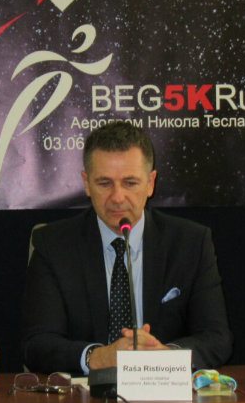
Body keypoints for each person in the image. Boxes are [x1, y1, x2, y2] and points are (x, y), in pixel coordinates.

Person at [21, 121, 232, 376]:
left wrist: (166, 356)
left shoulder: (190, 243)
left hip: (165, 393)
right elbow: (37, 345)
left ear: (150, 183)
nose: (118, 197)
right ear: (86, 183)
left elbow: (216, 338)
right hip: (84, 397)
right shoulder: (53, 245)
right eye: (104, 183)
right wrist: (97, 356)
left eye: (130, 183)